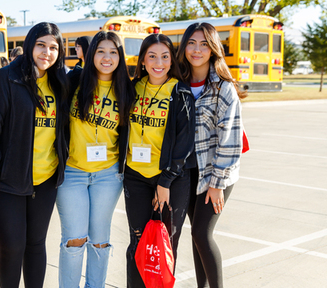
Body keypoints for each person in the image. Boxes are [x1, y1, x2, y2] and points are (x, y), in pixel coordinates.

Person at [0, 22, 69, 288]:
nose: (47, 52)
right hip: (8, 180)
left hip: (46, 180)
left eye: (54, 47)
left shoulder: (61, 81)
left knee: (36, 244)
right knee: (12, 246)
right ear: (30, 45)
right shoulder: (7, 78)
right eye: (41, 45)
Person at [57, 31, 135, 288]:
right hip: (72, 172)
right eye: (101, 51)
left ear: (120, 57)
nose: (107, 57)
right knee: (75, 239)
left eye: (113, 52)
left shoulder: (126, 87)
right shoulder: (75, 81)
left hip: (107, 175)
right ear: (91, 54)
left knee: (100, 240)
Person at [123, 34, 196, 287]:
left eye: (165, 56)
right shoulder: (132, 89)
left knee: (165, 244)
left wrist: (164, 181)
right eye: (152, 56)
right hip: (136, 176)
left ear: (171, 60)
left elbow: (184, 143)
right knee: (138, 242)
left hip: (172, 179)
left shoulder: (180, 91)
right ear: (142, 60)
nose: (159, 62)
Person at [178, 22, 246, 288]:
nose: (197, 50)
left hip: (215, 173)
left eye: (204, 44)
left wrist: (218, 183)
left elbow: (230, 142)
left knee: (201, 233)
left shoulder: (223, 89)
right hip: (187, 173)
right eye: (192, 43)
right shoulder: (177, 84)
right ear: (184, 47)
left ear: (213, 49)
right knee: (196, 237)